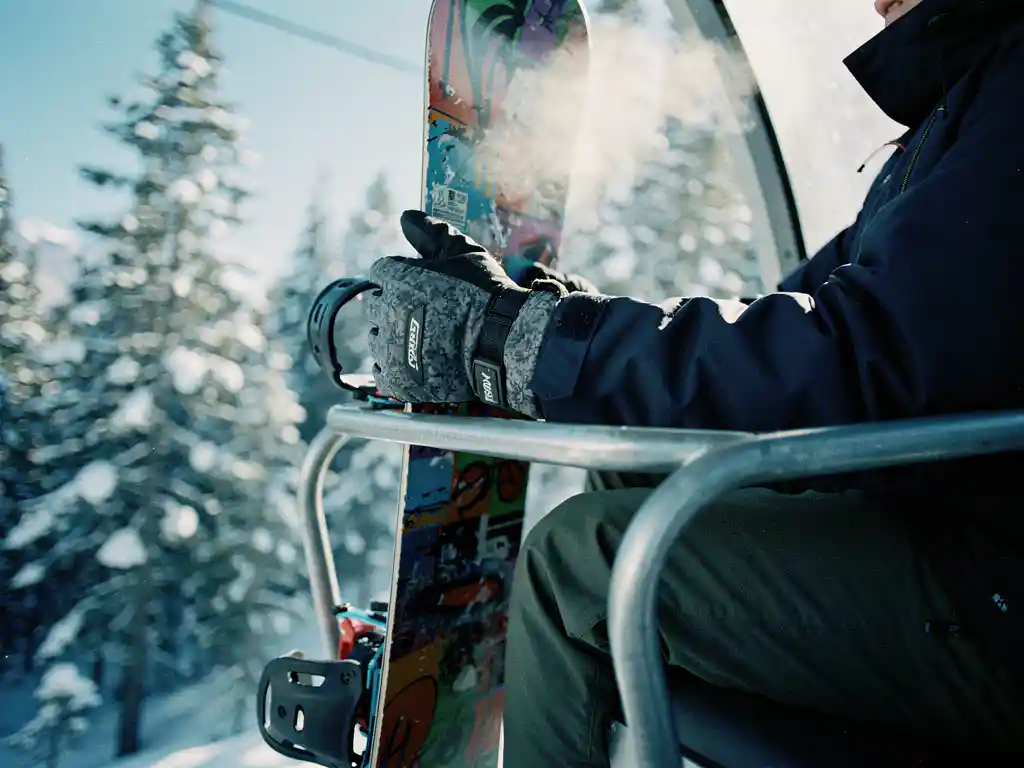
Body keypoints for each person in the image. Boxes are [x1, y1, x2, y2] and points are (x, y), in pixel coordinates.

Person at [363, 0, 1024, 763]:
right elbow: (791, 326)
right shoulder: (956, 120)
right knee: (642, 469)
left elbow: (864, 357)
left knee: (576, 570)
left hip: (992, 582)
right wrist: (549, 318)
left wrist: (526, 345)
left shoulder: (1006, 96)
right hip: (943, 517)